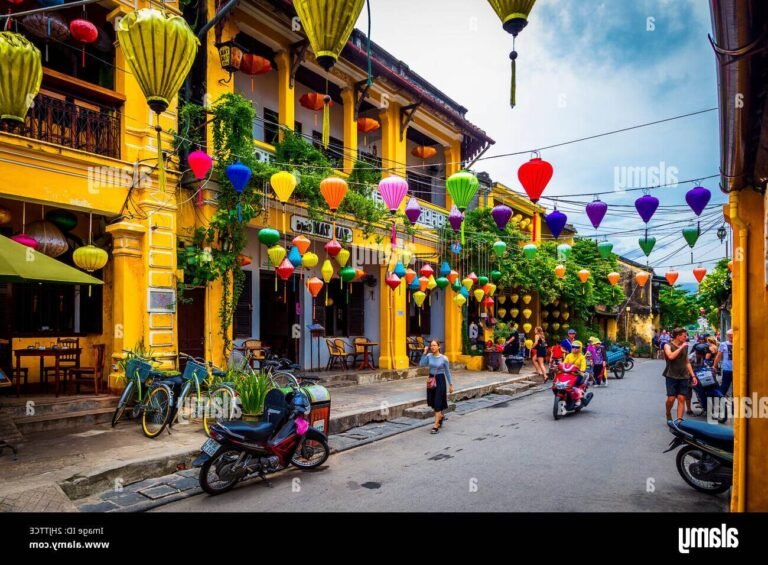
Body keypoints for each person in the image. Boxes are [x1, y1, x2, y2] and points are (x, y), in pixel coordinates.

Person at [663, 328, 698, 421]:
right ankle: (668, 412)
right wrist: (681, 347)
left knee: (681, 398)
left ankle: (679, 421)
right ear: (678, 336)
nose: (686, 337)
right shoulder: (667, 345)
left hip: (684, 376)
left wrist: (693, 375)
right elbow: (670, 356)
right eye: (684, 336)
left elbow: (687, 362)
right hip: (671, 375)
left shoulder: (685, 346)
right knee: (671, 399)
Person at [420, 340, 454, 434]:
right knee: (432, 402)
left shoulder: (444, 358)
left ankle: (436, 425)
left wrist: (451, 385)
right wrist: (424, 352)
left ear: (439, 347)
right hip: (431, 380)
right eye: (431, 346)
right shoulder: (429, 356)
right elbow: (421, 364)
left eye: (434, 345)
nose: (432, 347)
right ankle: (441, 416)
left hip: (440, 380)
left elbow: (447, 372)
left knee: (438, 402)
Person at [563, 340, 587, 405]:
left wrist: (581, 370)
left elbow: (583, 366)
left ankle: (578, 398)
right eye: (573, 347)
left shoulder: (582, 357)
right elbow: (564, 364)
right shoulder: (568, 356)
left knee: (575, 385)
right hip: (568, 374)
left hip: (578, 374)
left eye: (577, 347)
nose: (575, 349)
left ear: (580, 348)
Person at [714, 328, 733, 396]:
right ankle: (719, 402)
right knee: (724, 386)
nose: (731, 337)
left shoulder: (739, 344)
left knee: (736, 388)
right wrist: (714, 366)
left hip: (737, 370)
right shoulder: (723, 344)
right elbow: (718, 356)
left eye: (732, 335)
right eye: (729, 335)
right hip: (727, 369)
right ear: (727, 336)